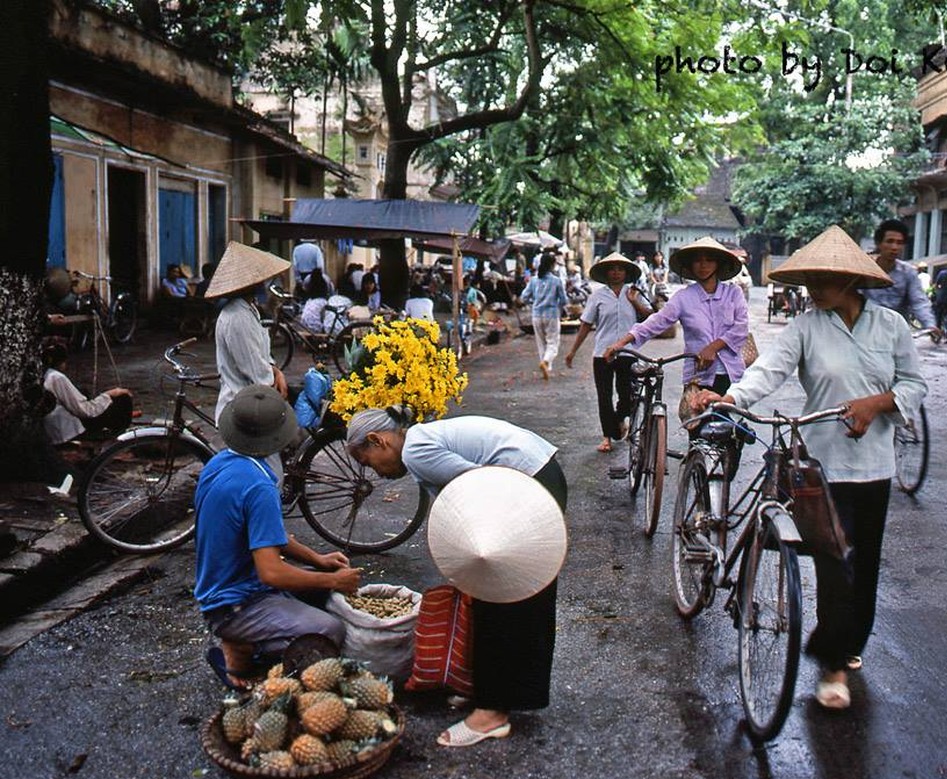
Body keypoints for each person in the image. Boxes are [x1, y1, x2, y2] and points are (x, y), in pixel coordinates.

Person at [690, 225, 927, 711]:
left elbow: (914, 386)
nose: (813, 288)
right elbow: (770, 369)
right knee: (833, 560)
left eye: (823, 278)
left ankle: (849, 642)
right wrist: (731, 397)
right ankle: (833, 663)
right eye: (809, 280)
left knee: (863, 564)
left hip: (875, 464)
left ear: (849, 280)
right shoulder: (806, 326)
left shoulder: (891, 327)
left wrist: (877, 403)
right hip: (822, 465)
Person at [345, 406, 567, 747]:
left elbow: (483, 486)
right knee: (504, 592)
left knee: (503, 595)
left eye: (367, 460)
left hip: (529, 482)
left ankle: (492, 712)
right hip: (536, 474)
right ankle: (494, 691)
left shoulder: (416, 452)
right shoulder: (420, 442)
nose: (373, 471)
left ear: (379, 440)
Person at [195, 385, 360, 689]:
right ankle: (243, 655)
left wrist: (317, 560)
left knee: (324, 595)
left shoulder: (219, 464)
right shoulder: (259, 486)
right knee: (330, 630)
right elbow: (271, 572)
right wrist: (334, 580)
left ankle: (244, 643)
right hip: (235, 605)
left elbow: (270, 535)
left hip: (226, 591)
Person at [603, 236, 749, 398]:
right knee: (697, 421)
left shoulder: (733, 293)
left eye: (709, 260)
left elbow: (740, 329)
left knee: (730, 421)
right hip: (698, 377)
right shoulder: (683, 297)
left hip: (731, 374)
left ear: (718, 264)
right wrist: (621, 343)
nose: (703, 265)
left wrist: (712, 348)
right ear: (690, 265)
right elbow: (656, 322)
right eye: (698, 261)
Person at [564, 253, 654, 453]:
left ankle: (621, 418)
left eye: (620, 269)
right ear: (606, 273)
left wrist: (634, 301)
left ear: (626, 272)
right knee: (604, 397)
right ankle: (607, 436)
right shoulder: (597, 296)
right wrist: (573, 351)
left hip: (628, 352)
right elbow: (586, 324)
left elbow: (650, 316)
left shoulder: (633, 292)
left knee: (626, 394)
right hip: (602, 353)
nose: (616, 273)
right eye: (612, 269)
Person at [205, 242, 290, 426]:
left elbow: (262, 356)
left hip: (252, 402)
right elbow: (256, 371)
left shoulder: (249, 309)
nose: (268, 286)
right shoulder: (237, 317)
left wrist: (276, 371)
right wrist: (275, 378)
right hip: (243, 410)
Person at [41, 342, 133, 445]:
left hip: (56, 424)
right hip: (64, 429)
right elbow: (85, 411)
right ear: (62, 362)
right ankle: (118, 440)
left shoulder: (44, 374)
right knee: (123, 398)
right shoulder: (56, 377)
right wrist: (110, 394)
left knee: (83, 391)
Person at [862, 219, 939, 332]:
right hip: (866, 329)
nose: (895, 247)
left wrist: (930, 325)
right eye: (890, 241)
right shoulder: (864, 269)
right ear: (879, 244)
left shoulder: (909, 272)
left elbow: (919, 301)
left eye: (899, 243)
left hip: (896, 332)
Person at [520, 252, 569, 380]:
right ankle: (546, 362)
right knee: (552, 342)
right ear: (552, 265)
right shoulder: (556, 281)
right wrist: (558, 306)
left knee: (541, 343)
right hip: (551, 315)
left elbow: (524, 297)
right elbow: (564, 300)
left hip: (536, 314)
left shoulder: (533, 280)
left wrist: (534, 303)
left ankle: (546, 366)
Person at [299, 268, 331, 333]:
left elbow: (304, 288)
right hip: (317, 329)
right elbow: (330, 289)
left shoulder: (308, 278)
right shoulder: (326, 279)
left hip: (304, 327)